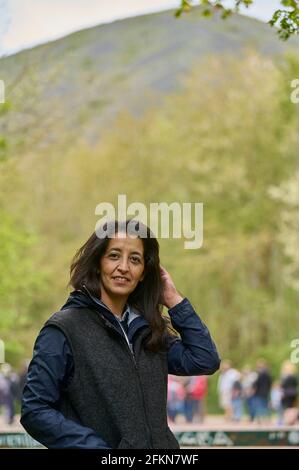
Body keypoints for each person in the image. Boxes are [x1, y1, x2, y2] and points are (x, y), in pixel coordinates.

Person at [21, 219, 220, 449]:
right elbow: (35, 410)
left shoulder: (148, 330)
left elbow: (205, 359)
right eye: (114, 255)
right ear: (97, 263)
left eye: (135, 259)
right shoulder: (64, 329)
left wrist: (174, 300)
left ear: (144, 272)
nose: (124, 267)